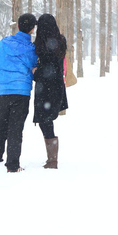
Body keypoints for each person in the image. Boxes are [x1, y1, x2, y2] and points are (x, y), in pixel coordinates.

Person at [0, 13, 38, 173]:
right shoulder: (31, 49)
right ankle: (13, 164)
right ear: (32, 29)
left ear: (17, 26)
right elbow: (34, 67)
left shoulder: (3, 44)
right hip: (21, 92)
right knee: (16, 128)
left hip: (3, 90)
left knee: (1, 123)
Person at [33, 13, 69, 169]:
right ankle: (52, 158)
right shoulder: (61, 40)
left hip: (45, 87)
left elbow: (48, 68)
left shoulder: (41, 44)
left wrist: (35, 73)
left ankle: (52, 160)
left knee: (45, 120)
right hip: (57, 86)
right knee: (47, 120)